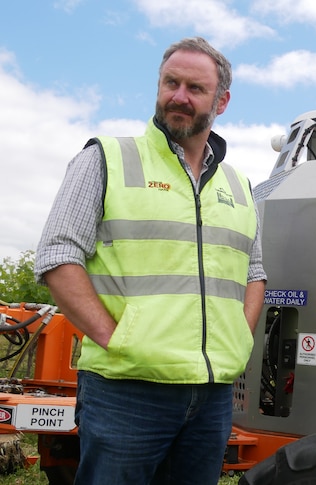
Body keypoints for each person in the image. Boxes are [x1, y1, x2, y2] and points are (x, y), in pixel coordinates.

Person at [34, 37, 266, 485]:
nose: (178, 96)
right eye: (170, 83)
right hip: (127, 390)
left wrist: (239, 338)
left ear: (222, 100)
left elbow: (254, 273)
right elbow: (58, 255)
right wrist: (118, 339)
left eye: (195, 88)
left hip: (212, 393)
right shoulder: (105, 158)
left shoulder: (239, 185)